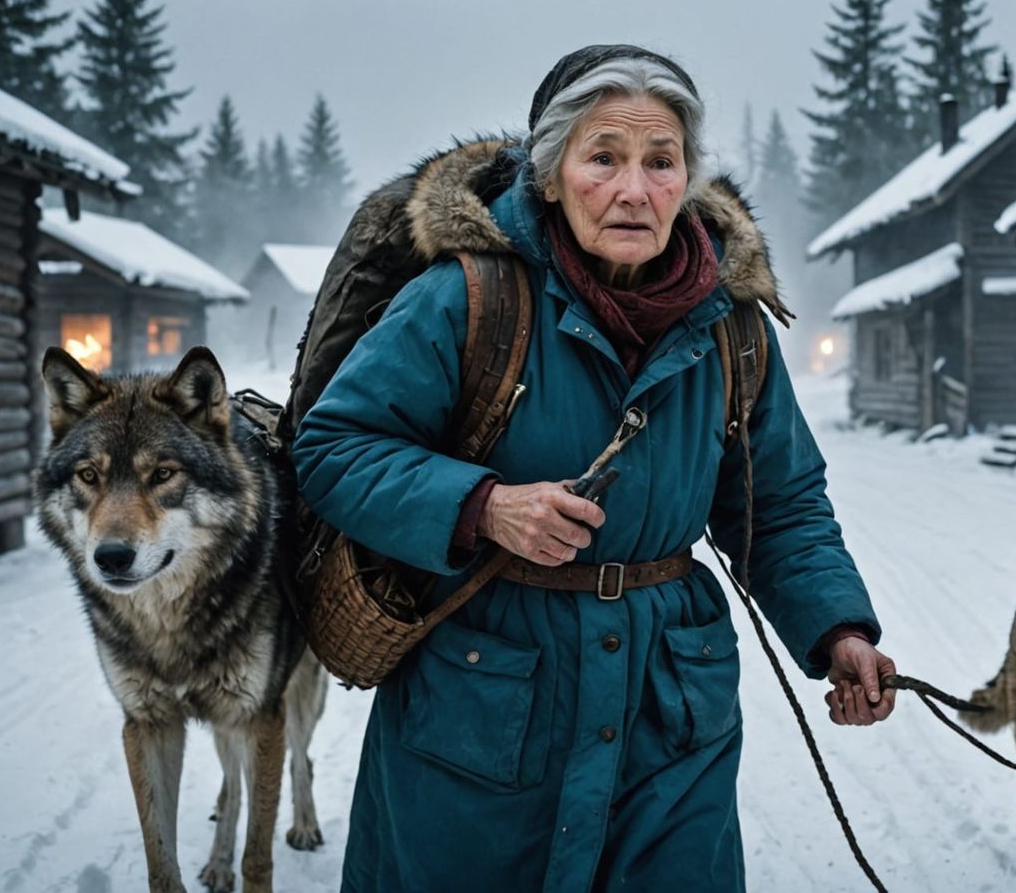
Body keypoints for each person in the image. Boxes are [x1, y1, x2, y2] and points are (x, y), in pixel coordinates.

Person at [293, 44, 896, 893]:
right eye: (603, 157)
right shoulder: (470, 298)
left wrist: (837, 629)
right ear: (550, 176)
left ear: (686, 180)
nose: (634, 189)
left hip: (670, 702)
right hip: (486, 693)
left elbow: (782, 504)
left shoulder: (732, 327)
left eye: (661, 161)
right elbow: (335, 448)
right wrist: (484, 506)